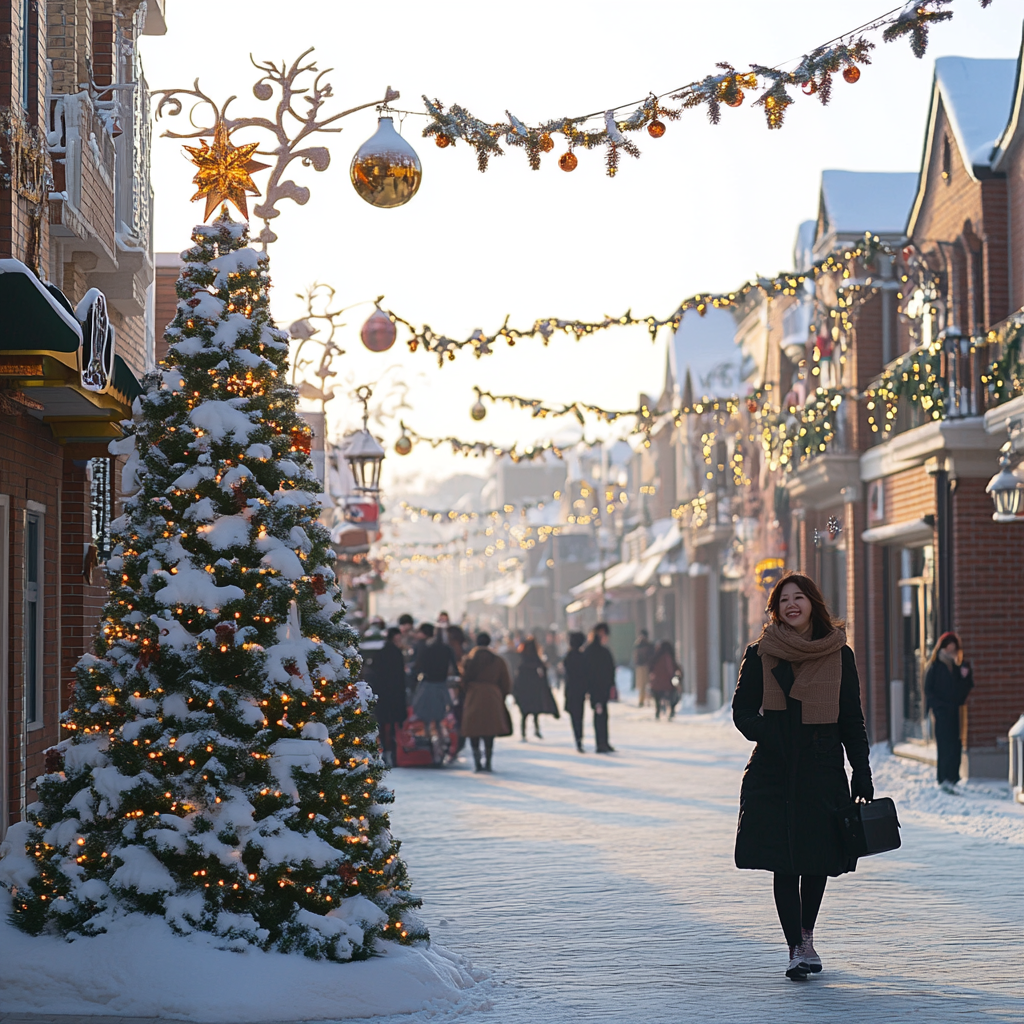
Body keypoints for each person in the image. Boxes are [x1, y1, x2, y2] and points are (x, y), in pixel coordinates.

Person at [732, 571, 872, 981]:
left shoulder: (838, 654)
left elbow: (852, 720)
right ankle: (795, 946)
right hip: (774, 767)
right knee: (783, 859)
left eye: (799, 597)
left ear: (813, 602)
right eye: (784, 600)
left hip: (822, 766)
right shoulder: (761, 652)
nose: (792, 605)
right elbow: (741, 711)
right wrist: (768, 732)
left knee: (817, 859)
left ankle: (807, 935)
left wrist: (861, 773)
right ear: (775, 609)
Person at [924, 631, 974, 792]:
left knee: (955, 743)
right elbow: (928, 690)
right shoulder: (935, 666)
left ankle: (953, 777)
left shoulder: (957, 668)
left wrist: (965, 676)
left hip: (954, 711)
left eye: (953, 649)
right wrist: (937, 707)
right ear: (942, 648)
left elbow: (962, 692)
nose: (951, 652)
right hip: (942, 712)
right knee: (944, 745)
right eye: (948, 649)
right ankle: (943, 777)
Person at [460, 632, 513, 771]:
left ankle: (477, 762)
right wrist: (501, 695)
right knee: (489, 730)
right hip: (492, 696)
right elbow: (506, 682)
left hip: (473, 696)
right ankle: (488, 762)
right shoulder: (498, 660)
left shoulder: (468, 660)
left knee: (473, 729)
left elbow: (462, 681)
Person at [412, 622, 458, 765]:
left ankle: (429, 751)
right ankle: (441, 750)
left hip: (427, 686)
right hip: (441, 687)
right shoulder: (447, 649)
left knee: (426, 720)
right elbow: (455, 668)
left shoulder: (427, 648)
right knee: (439, 721)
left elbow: (418, 667)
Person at [367, 627, 409, 767]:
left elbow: (374, 673)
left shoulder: (381, 653)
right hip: (395, 694)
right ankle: (393, 754)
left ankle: (384, 751)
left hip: (382, 694)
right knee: (393, 725)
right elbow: (401, 678)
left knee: (382, 723)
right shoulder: (397, 653)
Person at [513, 636, 560, 740]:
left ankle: (524, 733)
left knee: (525, 713)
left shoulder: (522, 660)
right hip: (535, 689)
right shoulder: (537, 661)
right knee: (535, 712)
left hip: (524, 689)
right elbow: (543, 674)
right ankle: (536, 730)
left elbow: (518, 676)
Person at [584, 623, 616, 753]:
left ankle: (603, 741)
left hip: (600, 687)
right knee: (600, 714)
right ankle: (601, 743)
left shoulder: (596, 650)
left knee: (602, 713)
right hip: (597, 687)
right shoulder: (596, 651)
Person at [563, 631, 588, 752]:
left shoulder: (568, 657)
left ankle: (577, 737)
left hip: (571, 689)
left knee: (574, 715)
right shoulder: (583, 657)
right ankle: (579, 737)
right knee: (580, 714)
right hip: (581, 689)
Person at [649, 640, 680, 720]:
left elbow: (650, 670)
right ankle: (672, 710)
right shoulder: (668, 657)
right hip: (667, 684)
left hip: (656, 685)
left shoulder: (656, 657)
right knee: (675, 694)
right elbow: (673, 670)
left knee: (656, 693)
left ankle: (658, 710)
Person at [633, 629, 655, 707]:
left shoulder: (638, 645)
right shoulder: (648, 645)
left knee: (644, 685)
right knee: (646, 684)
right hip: (645, 666)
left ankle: (644, 700)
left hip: (642, 666)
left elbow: (636, 657)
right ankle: (645, 700)